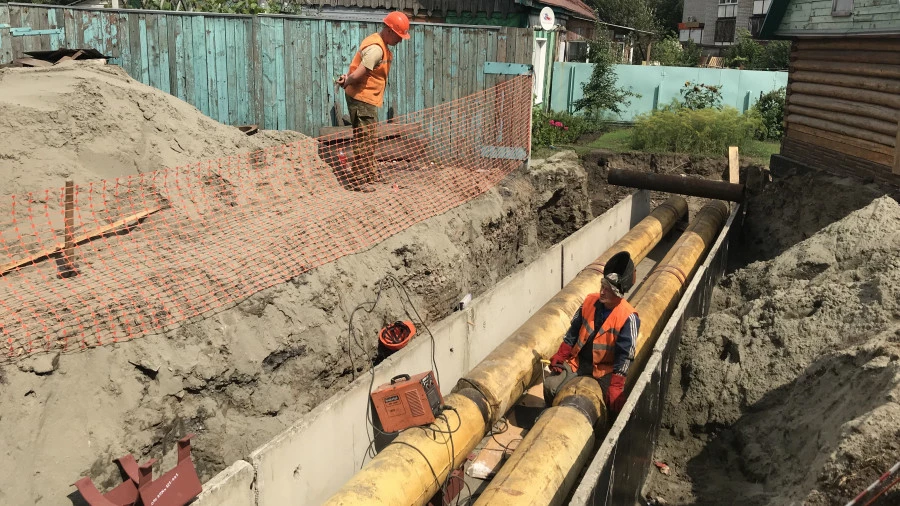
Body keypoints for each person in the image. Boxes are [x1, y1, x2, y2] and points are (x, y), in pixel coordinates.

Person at [544, 251, 640, 414]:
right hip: (579, 361)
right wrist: (562, 354)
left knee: (613, 404)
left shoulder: (628, 317)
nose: (602, 292)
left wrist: (616, 385)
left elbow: (625, 355)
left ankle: (604, 433)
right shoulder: (589, 301)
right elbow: (573, 332)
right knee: (550, 386)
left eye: (607, 290)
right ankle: (549, 414)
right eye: (602, 287)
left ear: (617, 294)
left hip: (605, 369)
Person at [336, 11, 410, 192]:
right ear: (390, 31)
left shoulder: (380, 44)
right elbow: (362, 71)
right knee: (364, 139)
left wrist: (348, 79)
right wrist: (348, 81)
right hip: (362, 98)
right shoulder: (377, 48)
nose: (400, 41)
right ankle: (358, 180)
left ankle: (369, 173)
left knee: (369, 138)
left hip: (367, 98)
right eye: (399, 36)